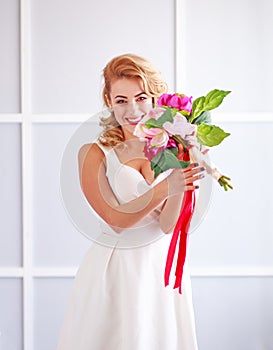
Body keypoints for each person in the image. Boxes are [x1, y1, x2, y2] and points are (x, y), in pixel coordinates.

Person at [57, 53, 205, 350]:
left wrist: (184, 172)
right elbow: (115, 220)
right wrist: (163, 190)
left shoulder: (171, 150)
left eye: (141, 97)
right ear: (109, 102)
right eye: (121, 100)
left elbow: (166, 226)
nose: (133, 109)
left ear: (155, 99)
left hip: (161, 267)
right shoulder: (93, 152)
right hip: (116, 268)